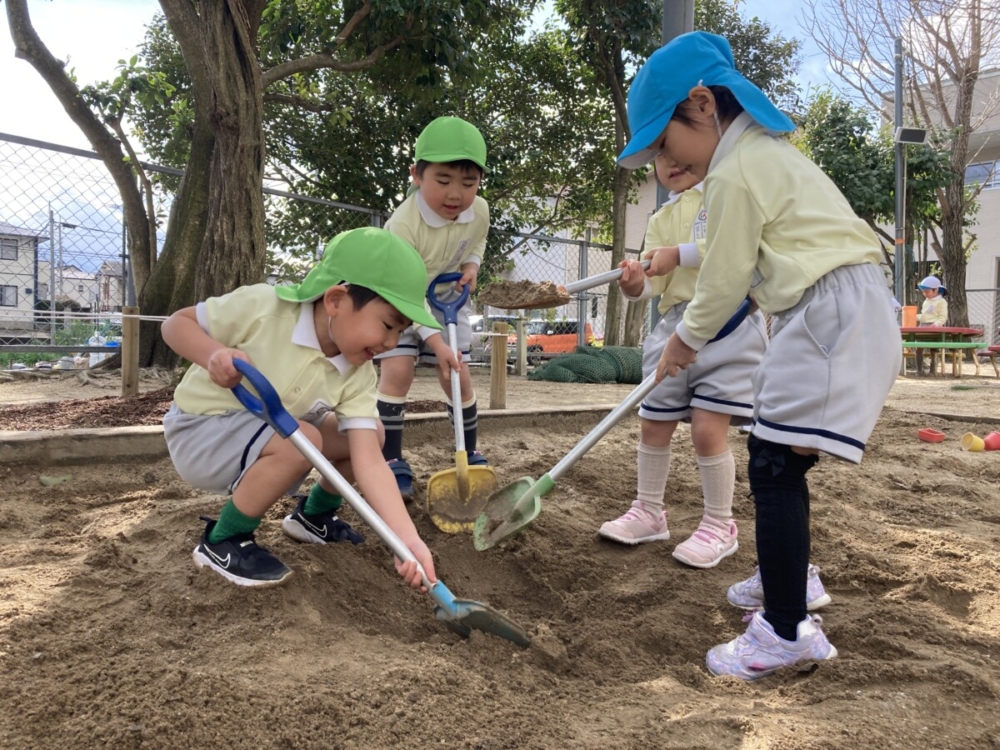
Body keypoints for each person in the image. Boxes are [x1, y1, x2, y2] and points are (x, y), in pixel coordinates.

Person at [617, 31, 901, 680]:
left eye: (665, 141)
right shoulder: (764, 157)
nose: (666, 159)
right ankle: (788, 579)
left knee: (773, 463)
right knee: (781, 452)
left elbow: (723, 278)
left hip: (830, 312)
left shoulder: (736, 174)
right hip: (838, 307)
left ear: (702, 104)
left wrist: (683, 343)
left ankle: (784, 630)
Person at [161, 227, 440, 590]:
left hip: (268, 434)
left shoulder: (357, 372)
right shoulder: (265, 307)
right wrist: (213, 354)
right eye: (387, 324)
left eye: (400, 332)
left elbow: (370, 461)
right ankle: (223, 541)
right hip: (201, 432)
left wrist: (407, 538)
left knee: (370, 432)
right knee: (302, 435)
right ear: (336, 300)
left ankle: (313, 517)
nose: (390, 343)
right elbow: (175, 324)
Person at [596, 169, 767, 570]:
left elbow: (739, 248)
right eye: (661, 156)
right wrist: (634, 283)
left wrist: (680, 253)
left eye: (678, 151)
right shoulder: (661, 216)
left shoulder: (728, 194)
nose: (671, 163)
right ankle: (649, 511)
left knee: (709, 430)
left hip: (729, 324)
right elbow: (654, 283)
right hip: (673, 326)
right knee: (654, 424)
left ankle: (719, 524)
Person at [376, 116, 492, 500]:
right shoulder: (402, 226)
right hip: (398, 301)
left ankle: (469, 451)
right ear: (416, 175)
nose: (456, 194)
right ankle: (391, 458)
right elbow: (408, 294)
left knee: (457, 374)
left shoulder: (481, 212)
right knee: (397, 370)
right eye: (443, 181)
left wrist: (472, 265)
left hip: (445, 298)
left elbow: (477, 241)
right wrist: (434, 342)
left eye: (468, 183)